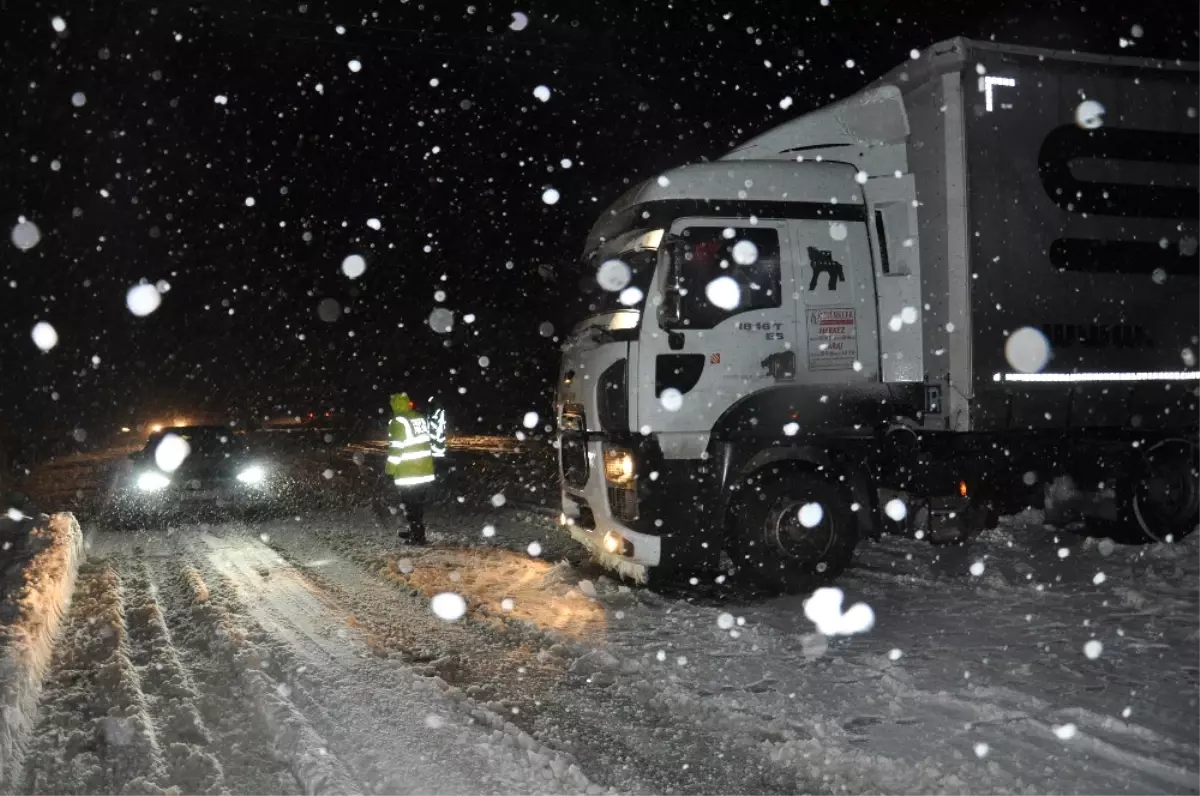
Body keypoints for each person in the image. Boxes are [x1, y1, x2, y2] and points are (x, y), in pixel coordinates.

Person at [375, 392, 435, 544]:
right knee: (417, 505)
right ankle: (415, 530)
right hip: (425, 470)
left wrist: (389, 470)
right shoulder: (419, 417)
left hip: (409, 473)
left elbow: (396, 449)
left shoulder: (398, 421)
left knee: (410, 506)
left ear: (394, 404)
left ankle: (418, 537)